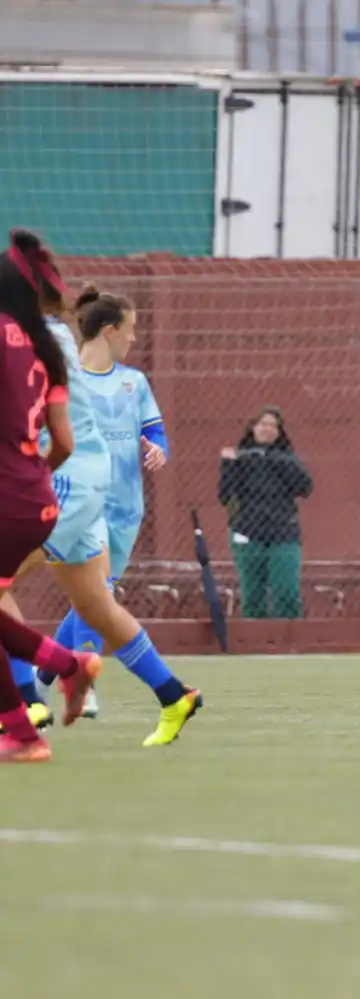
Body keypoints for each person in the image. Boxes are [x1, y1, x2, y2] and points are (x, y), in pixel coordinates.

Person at [33, 286, 168, 722]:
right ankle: (81, 684)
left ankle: (43, 677)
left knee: (93, 599)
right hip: (83, 497)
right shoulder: (68, 376)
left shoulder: (134, 382)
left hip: (126, 503)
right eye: (130, 330)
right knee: (98, 593)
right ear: (109, 330)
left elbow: (154, 430)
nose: (134, 339)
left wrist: (156, 448)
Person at [0, 229, 105, 759]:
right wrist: (30, 473)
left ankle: (23, 725)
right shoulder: (48, 349)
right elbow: (64, 441)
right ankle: (62, 673)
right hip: (36, 496)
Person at [219, 406, 313, 619]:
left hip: (283, 532)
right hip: (247, 531)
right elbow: (225, 496)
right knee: (253, 594)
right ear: (252, 428)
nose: (267, 429)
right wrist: (227, 464)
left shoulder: (286, 459)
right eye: (262, 424)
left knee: (286, 590)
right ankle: (254, 640)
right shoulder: (240, 459)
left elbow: (305, 487)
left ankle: (289, 639)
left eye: (273, 426)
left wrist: (272, 458)